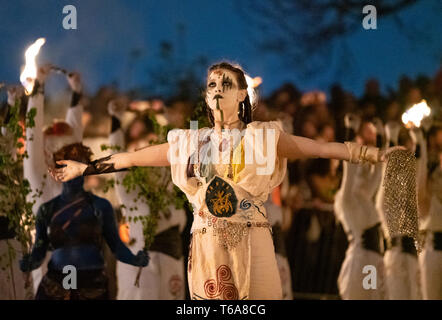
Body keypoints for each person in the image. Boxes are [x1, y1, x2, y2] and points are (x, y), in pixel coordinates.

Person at [51, 62, 401, 300]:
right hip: (206, 246)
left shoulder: (263, 138)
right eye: (212, 84)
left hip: (253, 240)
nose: (217, 88)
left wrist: (372, 154)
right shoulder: (190, 141)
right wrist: (87, 169)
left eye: (226, 83)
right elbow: (131, 158)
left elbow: (321, 149)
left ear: (242, 96)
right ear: (206, 96)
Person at [19, 138, 149, 300]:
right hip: (56, 284)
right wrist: (30, 262)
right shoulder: (47, 210)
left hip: (92, 284)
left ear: (86, 170)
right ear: (58, 169)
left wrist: (134, 259)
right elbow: (39, 249)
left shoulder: (100, 206)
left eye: (78, 166)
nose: (73, 173)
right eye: (67, 166)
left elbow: (116, 246)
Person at [107, 100, 186, 300]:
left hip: (173, 261)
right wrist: (115, 120)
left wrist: (166, 116)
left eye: (151, 144)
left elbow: (178, 147)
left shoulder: (168, 180)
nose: (147, 151)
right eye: (139, 146)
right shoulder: (128, 186)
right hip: (141, 264)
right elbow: (115, 157)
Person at [23, 64, 84, 292]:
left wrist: (76, 92)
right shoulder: (36, 173)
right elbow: (32, 131)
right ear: (46, 148)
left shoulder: (69, 175)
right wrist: (38, 86)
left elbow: (75, 133)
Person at [334, 114, 386, 299]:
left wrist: (381, 135)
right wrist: (351, 131)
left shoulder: (364, 195)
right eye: (362, 167)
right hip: (361, 260)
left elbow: (378, 171)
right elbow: (349, 167)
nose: (365, 170)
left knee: (372, 296)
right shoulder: (346, 198)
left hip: (373, 260)